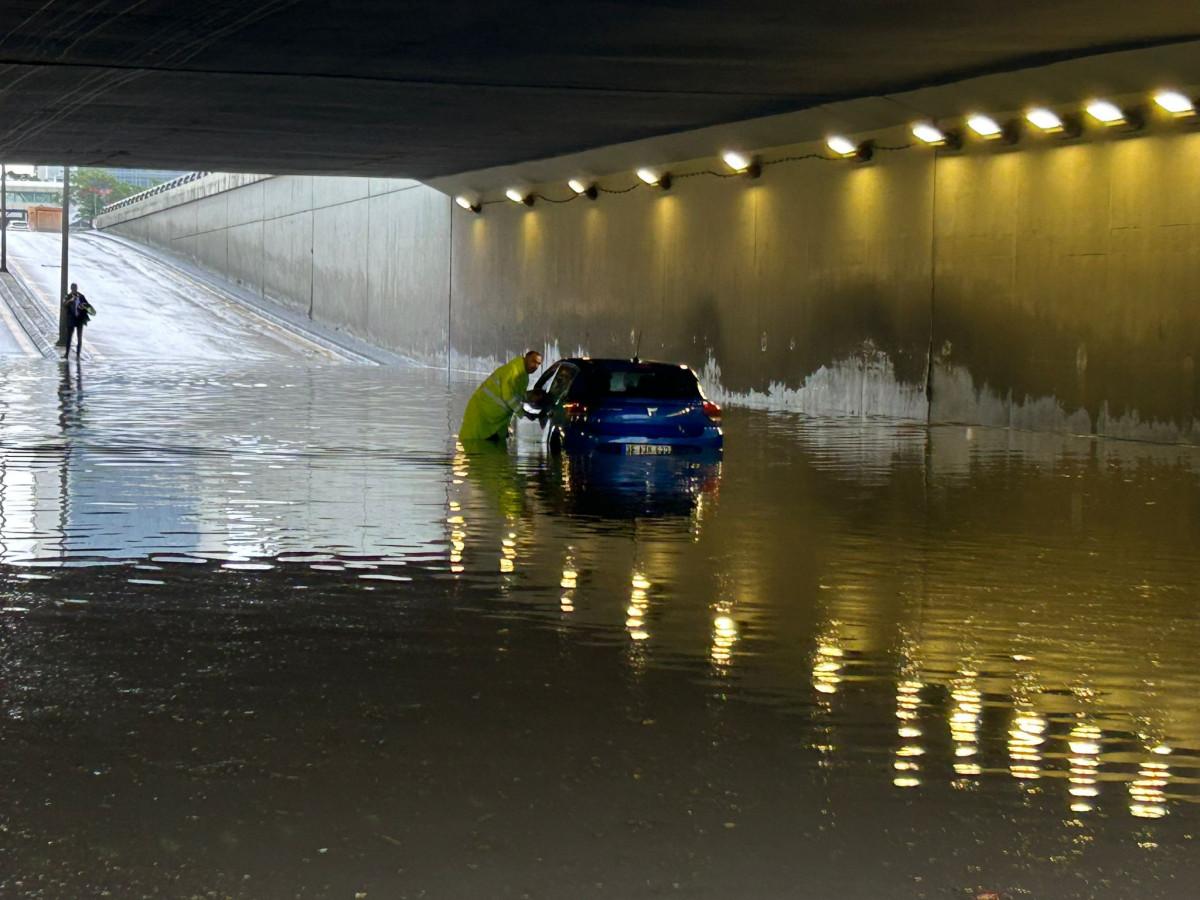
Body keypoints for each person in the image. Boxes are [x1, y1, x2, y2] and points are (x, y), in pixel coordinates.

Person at [459, 350, 543, 443]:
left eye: (538, 364)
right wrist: (524, 413)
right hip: (481, 414)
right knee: (470, 443)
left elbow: (518, 396)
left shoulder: (523, 378)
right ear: (525, 358)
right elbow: (508, 396)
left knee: (482, 447)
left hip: (495, 419)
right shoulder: (512, 371)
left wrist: (531, 396)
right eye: (533, 361)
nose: (535, 366)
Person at [61, 283, 94, 358]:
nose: (74, 290)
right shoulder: (68, 296)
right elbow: (64, 305)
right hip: (71, 319)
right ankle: (66, 354)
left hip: (79, 319)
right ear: (71, 289)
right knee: (69, 337)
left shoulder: (81, 297)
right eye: (73, 289)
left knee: (79, 337)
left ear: (77, 288)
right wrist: (70, 300)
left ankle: (78, 355)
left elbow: (88, 307)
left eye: (75, 288)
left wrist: (83, 307)